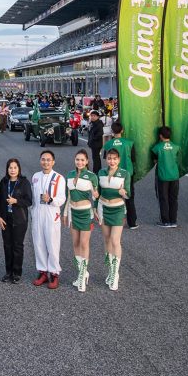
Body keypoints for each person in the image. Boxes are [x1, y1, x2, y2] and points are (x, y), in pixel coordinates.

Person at [30, 150, 66, 289]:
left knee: (52, 244)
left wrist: (51, 199)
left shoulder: (59, 178)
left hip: (51, 213)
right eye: (43, 159)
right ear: (40, 161)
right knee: (38, 243)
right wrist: (32, 211)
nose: (46, 162)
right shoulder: (35, 176)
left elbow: (62, 198)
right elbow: (33, 197)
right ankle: (42, 272)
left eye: (48, 160)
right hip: (38, 213)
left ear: (53, 162)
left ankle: (54, 273)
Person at [65, 150, 100, 292]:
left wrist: (96, 199)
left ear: (87, 161)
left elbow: (96, 196)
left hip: (85, 213)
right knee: (75, 243)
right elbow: (68, 195)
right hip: (73, 212)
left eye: (82, 160)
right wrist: (65, 213)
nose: (79, 162)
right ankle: (83, 273)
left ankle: (81, 277)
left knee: (84, 244)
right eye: (77, 159)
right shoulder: (70, 174)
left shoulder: (92, 176)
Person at [97, 149, 130, 291]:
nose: (112, 161)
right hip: (103, 208)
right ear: (106, 159)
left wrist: (124, 193)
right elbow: (97, 192)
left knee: (115, 240)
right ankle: (110, 271)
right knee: (107, 240)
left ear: (119, 160)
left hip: (117, 209)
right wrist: (95, 207)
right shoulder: (101, 173)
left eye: (115, 158)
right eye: (109, 158)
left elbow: (128, 193)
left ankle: (115, 274)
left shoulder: (125, 173)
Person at [0, 158, 31, 283]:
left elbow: (29, 201)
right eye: (10, 167)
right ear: (7, 169)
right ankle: (8, 272)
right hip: (6, 219)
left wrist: (16, 201)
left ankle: (17, 273)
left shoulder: (24, 182)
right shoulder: (4, 182)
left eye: (15, 167)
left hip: (20, 219)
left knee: (17, 246)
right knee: (7, 245)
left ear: (19, 169)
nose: (12, 170)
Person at [102, 122, 137, 228]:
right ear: (122, 130)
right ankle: (132, 223)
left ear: (112, 131)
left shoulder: (108, 144)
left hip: (113, 173)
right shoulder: (129, 143)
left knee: (113, 196)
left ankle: (113, 221)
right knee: (129, 197)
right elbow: (133, 158)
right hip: (127, 173)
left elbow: (105, 158)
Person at [150, 127, 181, 228]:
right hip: (174, 176)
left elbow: (154, 160)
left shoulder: (157, 147)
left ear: (160, 136)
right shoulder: (176, 147)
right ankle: (173, 221)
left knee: (163, 198)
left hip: (163, 176)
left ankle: (165, 221)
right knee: (173, 198)